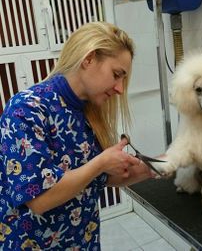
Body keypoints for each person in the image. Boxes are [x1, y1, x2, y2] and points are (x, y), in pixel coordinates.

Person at [0, 22, 154, 250]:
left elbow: (101, 178)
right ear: (89, 59)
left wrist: (166, 163)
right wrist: (101, 162)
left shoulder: (87, 111)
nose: (120, 88)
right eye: (116, 75)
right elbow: (40, 199)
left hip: (83, 241)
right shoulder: (26, 110)